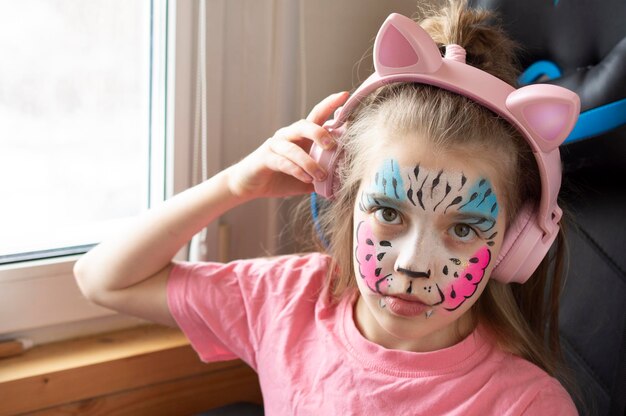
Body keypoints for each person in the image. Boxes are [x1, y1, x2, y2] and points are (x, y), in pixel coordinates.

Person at [74, 2, 580, 414]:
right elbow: (102, 279)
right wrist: (234, 184)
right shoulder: (288, 301)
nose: (412, 264)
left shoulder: (527, 405)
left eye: (464, 229)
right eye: (388, 214)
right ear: (343, 194)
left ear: (514, 245)